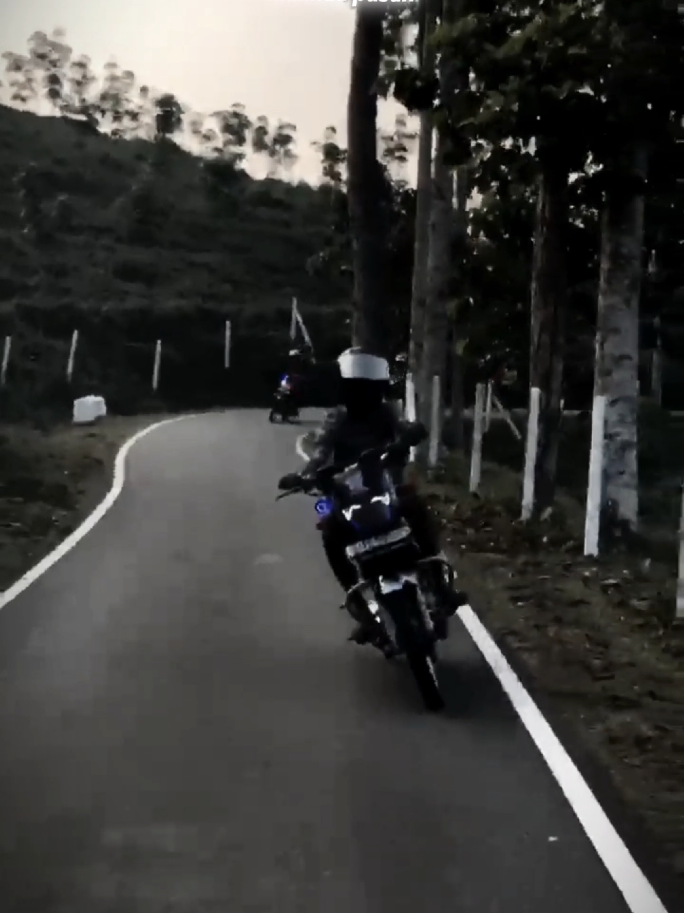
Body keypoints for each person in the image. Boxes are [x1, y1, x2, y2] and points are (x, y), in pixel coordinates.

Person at [278, 346, 465, 645]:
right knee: (330, 531)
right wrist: (304, 475)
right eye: (355, 386)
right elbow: (321, 451)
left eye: (366, 386)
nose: (361, 392)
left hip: (386, 485)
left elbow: (405, 428)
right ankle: (363, 611)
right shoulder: (337, 418)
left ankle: (441, 587)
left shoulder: (386, 412)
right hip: (348, 494)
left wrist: (409, 435)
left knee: (415, 506)